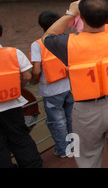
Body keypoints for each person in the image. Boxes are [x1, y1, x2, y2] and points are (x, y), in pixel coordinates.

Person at [42, 0, 108, 168]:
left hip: (84, 111)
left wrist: (70, 13)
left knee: (87, 158)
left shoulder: (68, 44)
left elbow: (47, 36)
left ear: (81, 16)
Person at [31, 11, 74, 158]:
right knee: (71, 117)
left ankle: (63, 150)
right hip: (69, 85)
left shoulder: (38, 45)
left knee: (58, 122)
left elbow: (36, 70)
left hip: (51, 91)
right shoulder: (65, 40)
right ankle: (74, 146)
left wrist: (32, 79)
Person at [0, 24, 43, 168]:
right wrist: (18, 89)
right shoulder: (13, 53)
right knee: (20, 139)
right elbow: (26, 75)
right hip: (12, 105)